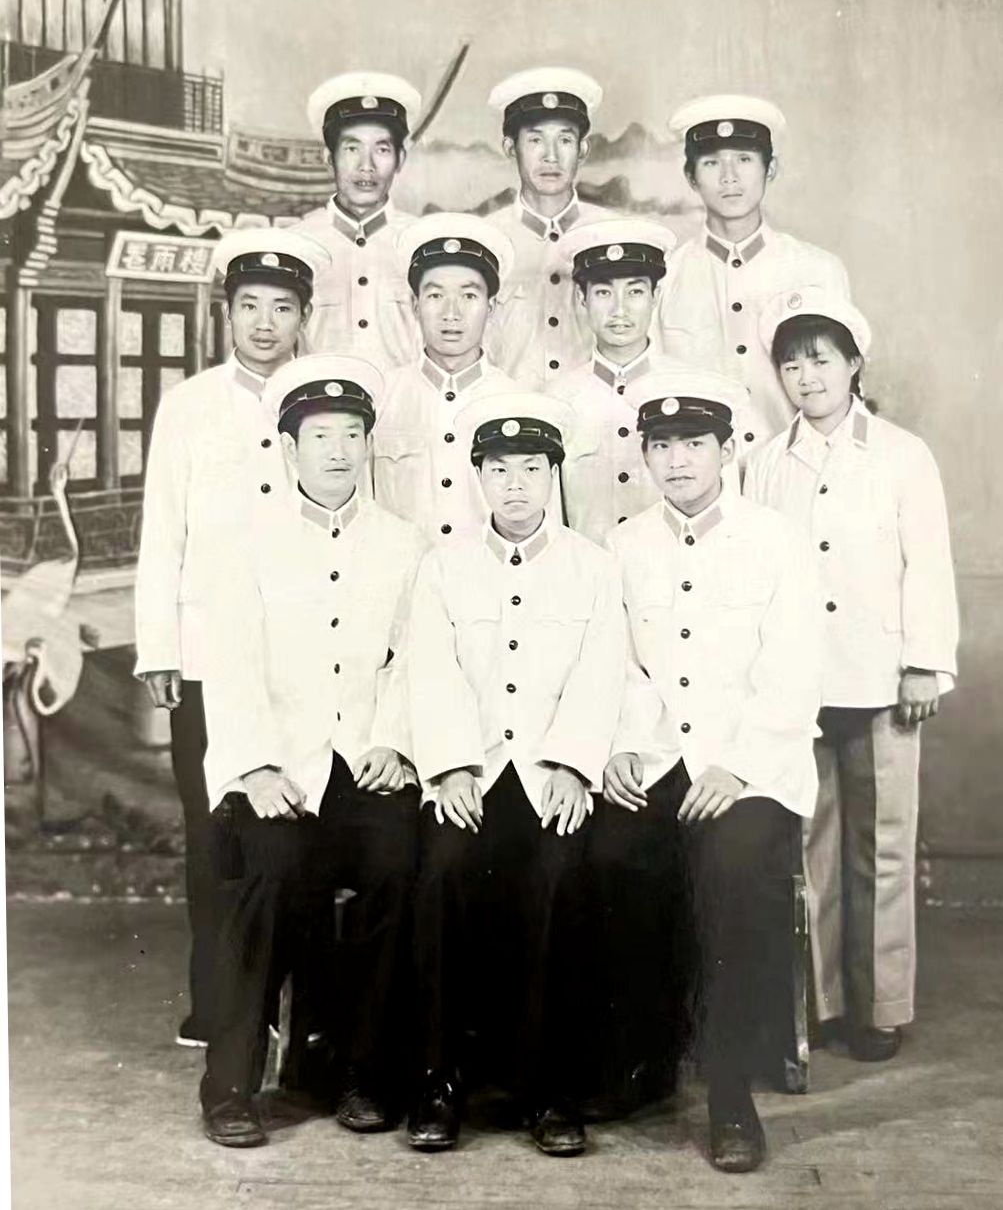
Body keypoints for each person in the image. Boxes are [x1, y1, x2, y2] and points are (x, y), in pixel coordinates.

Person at [592, 368, 821, 1173]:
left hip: (753, 765)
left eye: (693, 443)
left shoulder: (775, 541)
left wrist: (736, 764)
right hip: (658, 757)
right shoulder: (623, 545)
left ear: (727, 449)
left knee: (730, 873)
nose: (677, 460)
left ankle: (730, 1095)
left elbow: (793, 671)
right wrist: (623, 746)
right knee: (607, 855)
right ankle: (642, 1060)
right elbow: (619, 666)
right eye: (661, 446)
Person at [197, 355, 424, 1148]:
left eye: (351, 434)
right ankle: (230, 1085)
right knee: (271, 873)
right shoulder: (245, 542)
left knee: (398, 866)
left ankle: (364, 1072)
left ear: (368, 445)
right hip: (277, 767)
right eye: (320, 435)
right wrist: (256, 766)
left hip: (364, 763)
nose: (337, 450)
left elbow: (413, 661)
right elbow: (228, 665)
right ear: (289, 448)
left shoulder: (403, 544)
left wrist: (395, 744)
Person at [406, 392, 625, 1157]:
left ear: (553, 474)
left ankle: (549, 1088)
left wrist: (571, 764)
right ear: (477, 478)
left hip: (548, 774)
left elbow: (601, 673)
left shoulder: (592, 568)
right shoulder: (443, 566)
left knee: (558, 879)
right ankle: (438, 1079)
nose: (515, 485)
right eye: (498, 470)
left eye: (531, 468)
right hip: (471, 774)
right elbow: (429, 672)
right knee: (440, 872)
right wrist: (449, 768)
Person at [745, 288, 959, 1062]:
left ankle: (880, 1006)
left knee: (884, 844)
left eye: (821, 360)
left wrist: (923, 663)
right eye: (790, 365)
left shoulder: (901, 455)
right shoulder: (764, 463)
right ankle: (824, 1001)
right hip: (799, 684)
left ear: (853, 364)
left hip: (880, 678)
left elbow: (926, 564)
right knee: (809, 843)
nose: (806, 378)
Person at [133, 228, 329, 1049]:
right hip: (207, 650)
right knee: (213, 827)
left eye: (282, 308)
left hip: (297, 655)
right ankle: (217, 1003)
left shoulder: (323, 403)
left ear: (303, 317)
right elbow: (162, 531)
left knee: (290, 826)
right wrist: (159, 647)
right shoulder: (189, 406)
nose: (264, 323)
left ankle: (283, 1003)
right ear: (226, 313)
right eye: (249, 306)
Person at [658, 95, 850, 450]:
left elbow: (843, 399)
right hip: (701, 476)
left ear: (770, 169)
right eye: (712, 163)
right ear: (691, 176)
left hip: (796, 470)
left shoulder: (818, 271)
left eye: (744, 160)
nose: (729, 177)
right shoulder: (664, 278)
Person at [372, 213, 520, 541]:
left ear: (491, 306)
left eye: (469, 296)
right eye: (435, 296)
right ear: (414, 305)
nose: (451, 313)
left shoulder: (516, 402)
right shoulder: (382, 399)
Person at [484, 67, 618, 385]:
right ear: (510, 148)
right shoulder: (487, 240)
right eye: (535, 140)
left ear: (582, 150)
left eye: (565, 140)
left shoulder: (613, 234)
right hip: (510, 413)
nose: (551, 156)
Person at [548, 219, 676, 544]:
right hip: (585, 572)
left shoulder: (688, 390)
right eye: (604, 292)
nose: (620, 309)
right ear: (582, 298)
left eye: (635, 291)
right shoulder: (557, 401)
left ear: (656, 295)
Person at [294, 72, 423, 372]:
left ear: (400, 159)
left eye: (382, 149)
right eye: (352, 149)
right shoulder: (297, 244)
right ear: (329, 157)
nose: (367, 166)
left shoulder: (422, 243)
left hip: (404, 402)